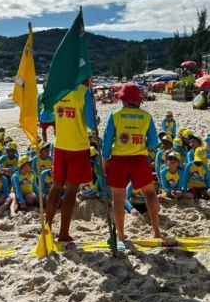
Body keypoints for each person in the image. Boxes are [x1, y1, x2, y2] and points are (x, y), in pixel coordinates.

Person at [102, 82, 160, 240]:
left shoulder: (115, 115)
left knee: (118, 199)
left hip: (119, 160)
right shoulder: (146, 116)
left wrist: (104, 160)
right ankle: (156, 231)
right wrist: (143, 144)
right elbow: (154, 142)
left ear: (123, 99)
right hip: (139, 159)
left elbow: (107, 142)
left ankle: (121, 235)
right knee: (150, 193)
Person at [47, 81, 96, 242]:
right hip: (77, 146)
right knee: (71, 190)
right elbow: (91, 123)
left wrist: (61, 116)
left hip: (60, 145)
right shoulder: (84, 91)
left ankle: (47, 229)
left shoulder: (58, 89)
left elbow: (44, 116)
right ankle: (63, 234)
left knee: (56, 187)